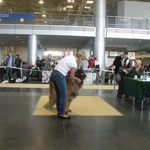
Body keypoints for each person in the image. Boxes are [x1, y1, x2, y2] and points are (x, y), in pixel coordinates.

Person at [50, 51, 86, 119]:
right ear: (80, 58)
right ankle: (62, 113)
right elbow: (71, 76)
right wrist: (77, 79)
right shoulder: (74, 64)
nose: (82, 61)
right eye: (82, 59)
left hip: (53, 74)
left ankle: (59, 111)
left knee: (59, 94)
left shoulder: (69, 56)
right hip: (60, 75)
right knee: (64, 95)